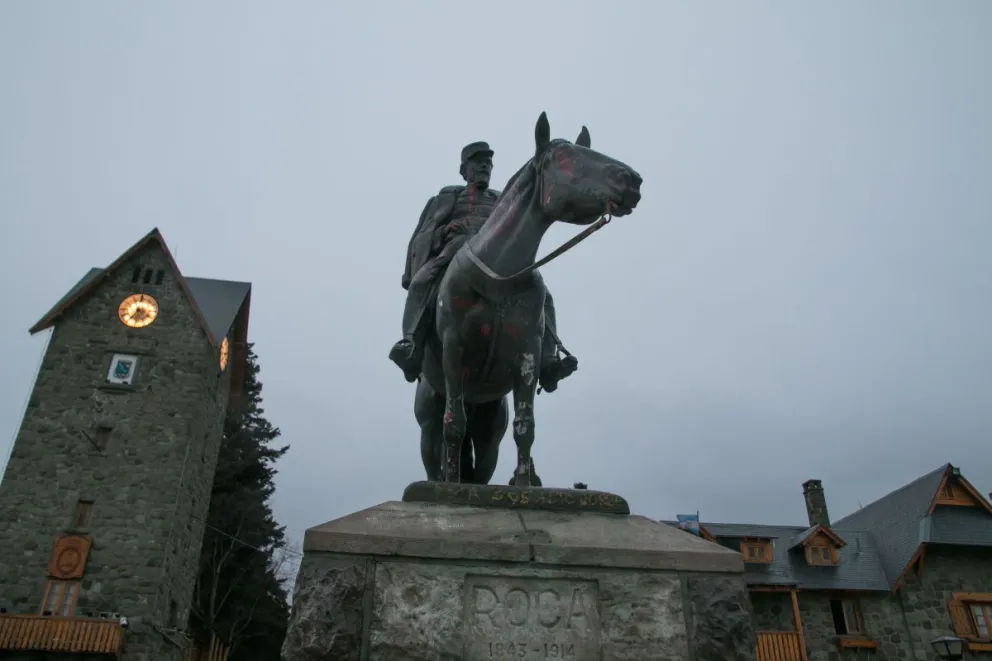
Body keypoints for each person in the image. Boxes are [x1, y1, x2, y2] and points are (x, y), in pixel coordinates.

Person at [390, 141, 577, 390]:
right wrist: (448, 230)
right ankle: (411, 344)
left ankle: (548, 361)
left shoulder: (501, 200)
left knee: (542, 293)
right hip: (456, 248)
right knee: (424, 279)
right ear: (464, 170)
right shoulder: (448, 196)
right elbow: (425, 234)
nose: (484, 168)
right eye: (478, 164)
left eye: (488, 164)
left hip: (496, 256)